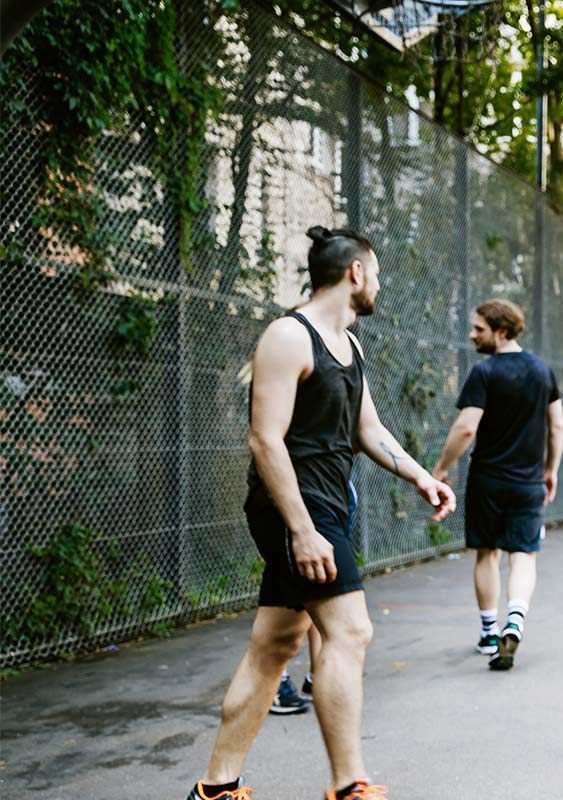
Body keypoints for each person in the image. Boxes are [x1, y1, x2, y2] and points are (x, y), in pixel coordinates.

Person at [186, 227, 456, 800]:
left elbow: (368, 430)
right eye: (376, 272)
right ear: (355, 272)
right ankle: (347, 785)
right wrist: (303, 530)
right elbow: (265, 440)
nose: (378, 284)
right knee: (350, 631)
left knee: (275, 644)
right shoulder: (289, 336)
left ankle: (215, 789)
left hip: (325, 504)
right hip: (298, 508)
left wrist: (421, 477)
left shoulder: (348, 345)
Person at [433, 299, 563, 672]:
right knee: (523, 554)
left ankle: (490, 633)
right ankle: (515, 621)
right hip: (528, 481)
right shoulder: (543, 372)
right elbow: (556, 426)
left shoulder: (485, 372)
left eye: (479, 328)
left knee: (486, 553)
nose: (472, 334)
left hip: (488, 480)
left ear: (501, 332)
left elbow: (466, 427)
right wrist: (550, 469)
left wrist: (440, 468)